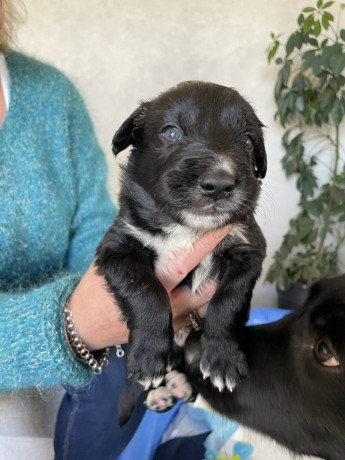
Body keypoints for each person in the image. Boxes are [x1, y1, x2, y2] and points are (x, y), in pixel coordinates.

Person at [0, 1, 230, 458]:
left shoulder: (51, 95)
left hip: (89, 386)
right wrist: (70, 324)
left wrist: (136, 282)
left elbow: (92, 226)